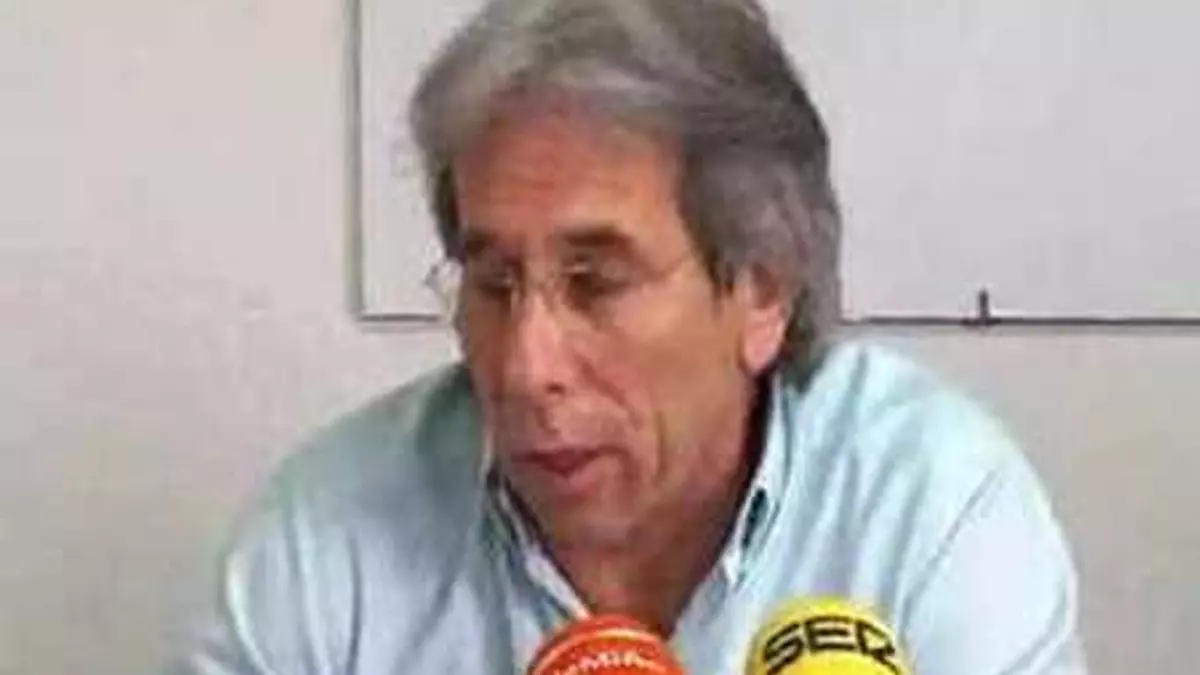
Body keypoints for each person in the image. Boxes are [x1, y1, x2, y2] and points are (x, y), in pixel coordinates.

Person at [169, 0, 1088, 673]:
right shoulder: (327, 535)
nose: (526, 367)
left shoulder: (927, 508)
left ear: (762, 287)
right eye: (493, 283)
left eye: (595, 284)